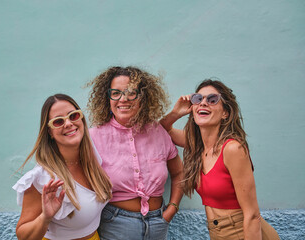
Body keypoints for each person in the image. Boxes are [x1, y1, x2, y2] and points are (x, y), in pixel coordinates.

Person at [160, 79, 280, 240]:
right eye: (198, 99)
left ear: (225, 113)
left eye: (212, 100)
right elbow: (161, 130)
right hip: (218, 232)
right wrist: (176, 113)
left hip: (243, 232)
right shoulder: (197, 145)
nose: (203, 103)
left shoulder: (232, 149)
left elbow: (252, 215)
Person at [86, 66, 184, 240]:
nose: (123, 99)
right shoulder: (93, 137)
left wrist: (172, 209)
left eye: (131, 92)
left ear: (142, 97)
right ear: (107, 97)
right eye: (115, 93)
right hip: (116, 223)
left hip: (158, 223)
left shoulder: (158, 132)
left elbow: (178, 173)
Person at [12, 94, 112, 240]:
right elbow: (23, 236)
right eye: (58, 121)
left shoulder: (92, 158)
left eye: (73, 116)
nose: (68, 123)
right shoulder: (43, 178)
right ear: (49, 132)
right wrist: (45, 217)